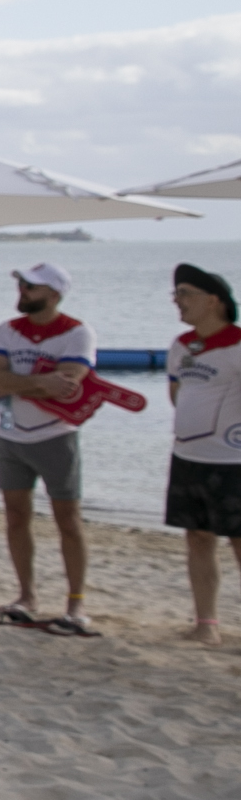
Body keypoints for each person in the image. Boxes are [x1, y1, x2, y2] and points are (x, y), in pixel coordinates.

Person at [0, 259, 96, 632]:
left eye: (31, 287)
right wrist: (39, 383)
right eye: (21, 285)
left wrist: (17, 383)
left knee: (68, 519)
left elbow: (68, 384)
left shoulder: (77, 333)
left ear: (53, 294)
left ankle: (76, 602)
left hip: (56, 435)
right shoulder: (6, 331)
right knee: (16, 516)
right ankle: (26, 595)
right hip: (11, 435)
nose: (22, 291)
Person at [164, 262, 241, 646]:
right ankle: (206, 623)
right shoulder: (181, 345)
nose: (178, 301)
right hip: (188, 457)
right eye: (176, 294)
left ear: (214, 300)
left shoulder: (238, 344)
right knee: (197, 537)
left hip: (232, 461)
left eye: (185, 294)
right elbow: (177, 393)